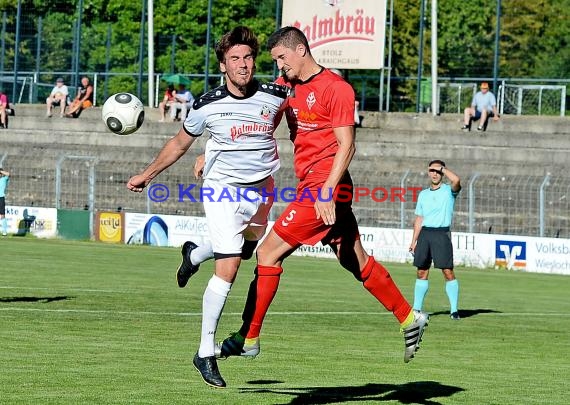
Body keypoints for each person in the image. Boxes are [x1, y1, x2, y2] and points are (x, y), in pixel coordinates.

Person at [216, 26, 429, 367]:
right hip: (315, 186)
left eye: (281, 59)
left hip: (327, 185)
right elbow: (254, 122)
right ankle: (408, 318)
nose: (279, 67)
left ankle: (249, 337)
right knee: (353, 258)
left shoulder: (337, 88)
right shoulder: (286, 88)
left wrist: (327, 191)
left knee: (268, 253)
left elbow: (347, 145)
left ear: (300, 51)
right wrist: (215, 151)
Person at [126, 26, 288, 388]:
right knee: (230, 266)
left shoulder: (277, 95)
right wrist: (147, 174)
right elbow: (179, 143)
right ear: (223, 66)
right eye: (235, 59)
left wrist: (211, 150)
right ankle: (204, 352)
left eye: (247, 58)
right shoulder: (206, 105)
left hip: (262, 190)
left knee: (245, 249)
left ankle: (195, 254)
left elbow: (268, 128)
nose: (243, 65)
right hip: (223, 190)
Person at [408, 160, 461, 320]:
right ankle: (416, 309)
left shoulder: (448, 191)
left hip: (441, 234)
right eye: (432, 170)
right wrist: (413, 241)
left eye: (438, 171)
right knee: (421, 271)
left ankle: (454, 310)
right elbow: (419, 218)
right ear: (428, 172)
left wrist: (443, 168)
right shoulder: (423, 194)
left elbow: (456, 181)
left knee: (447, 272)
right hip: (425, 234)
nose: (435, 173)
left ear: (442, 173)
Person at [0, 168, 10, 236]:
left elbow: (8, 174)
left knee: (2, 215)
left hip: (1, 198)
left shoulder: (4, 179)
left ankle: (4, 231)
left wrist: (0, 171)